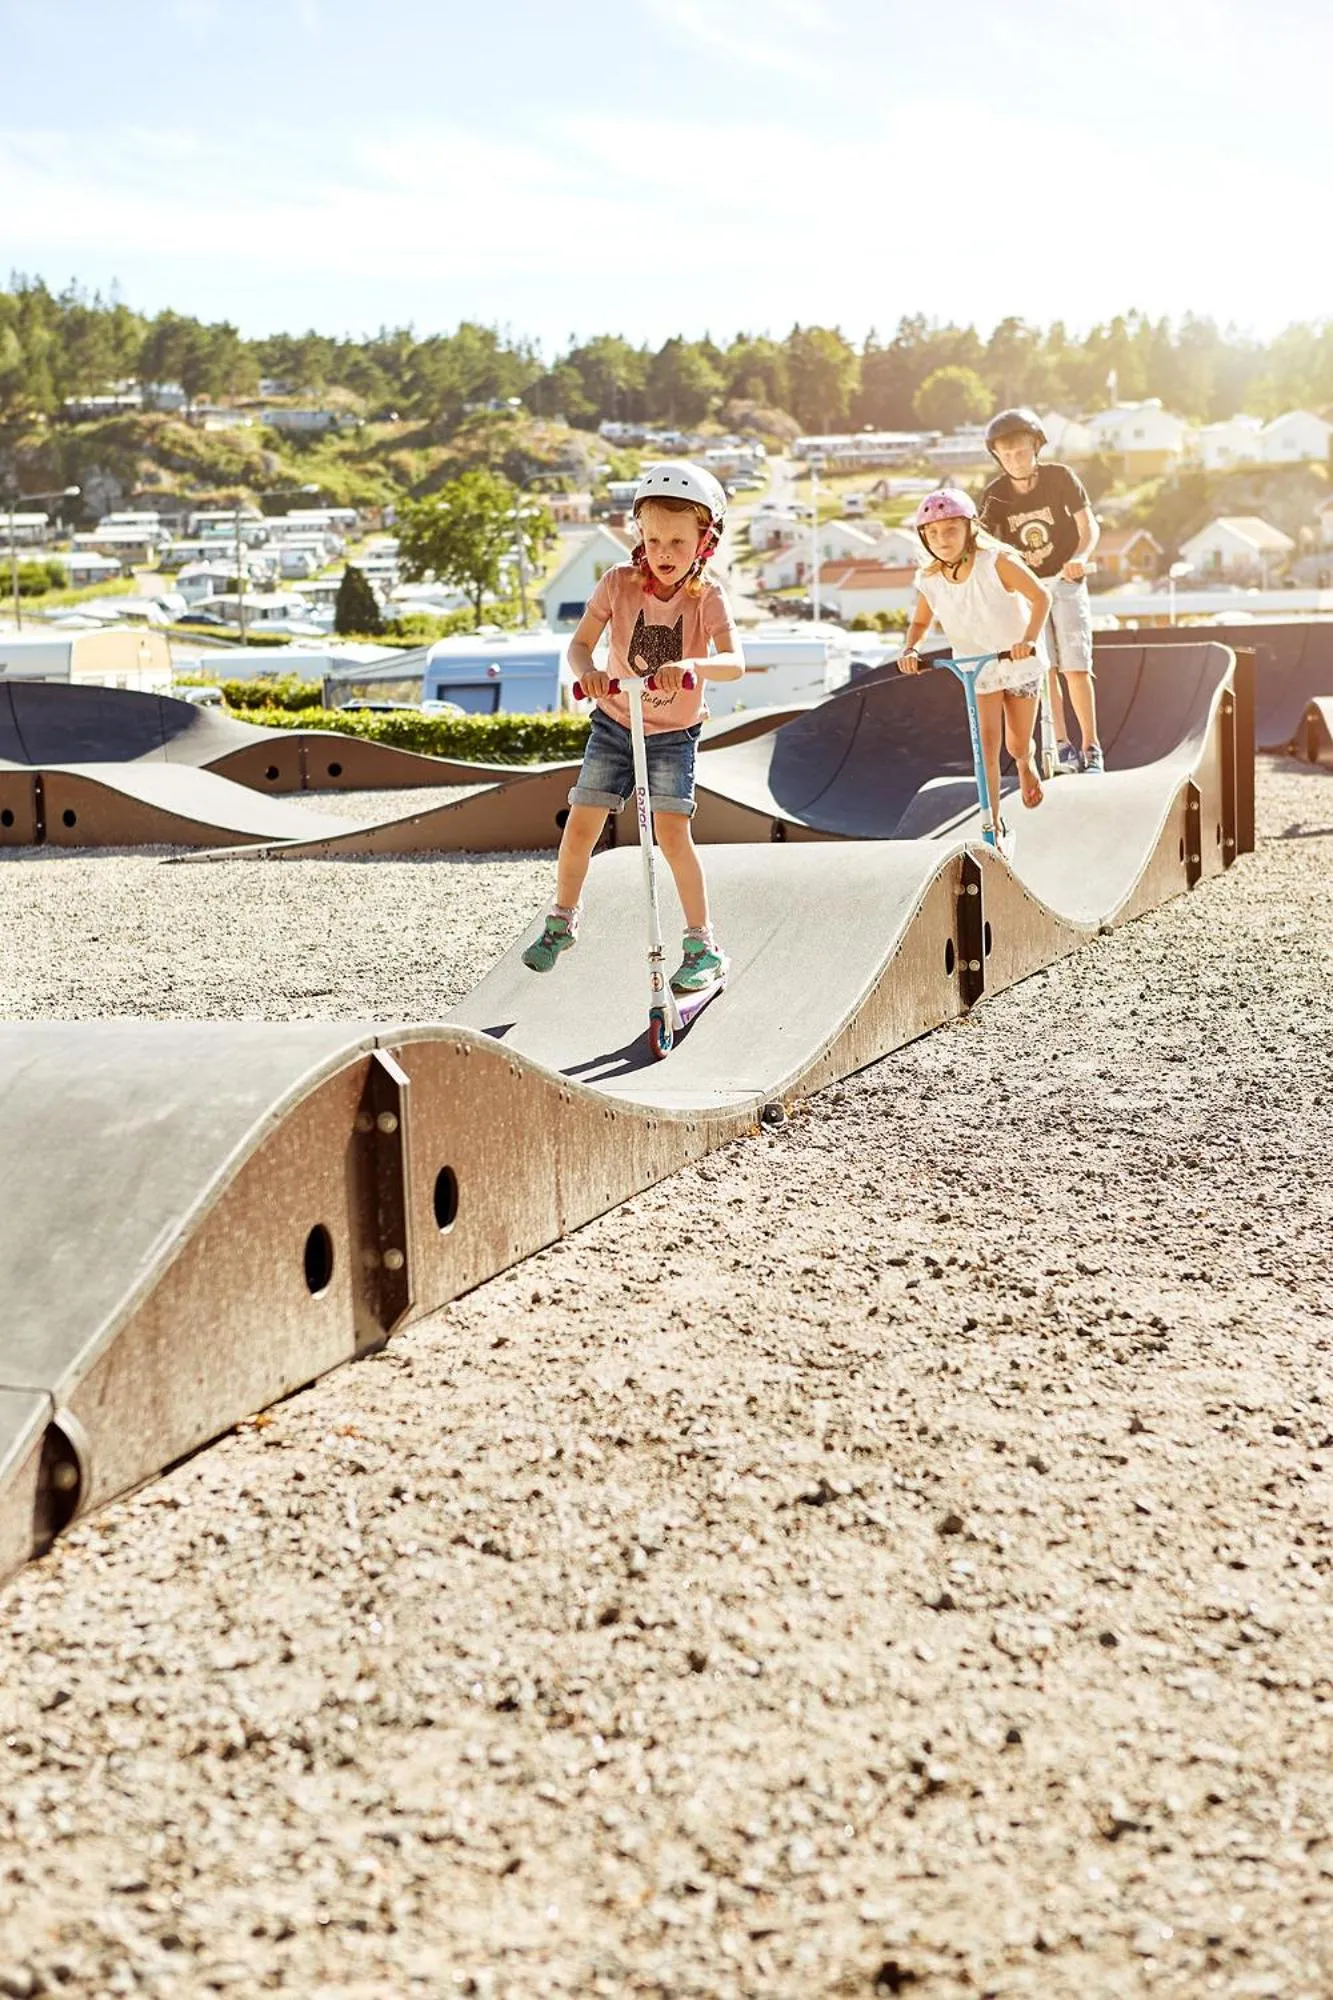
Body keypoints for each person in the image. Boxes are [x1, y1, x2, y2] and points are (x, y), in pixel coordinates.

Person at [521, 461, 744, 989]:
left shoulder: (707, 597)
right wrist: (591, 674)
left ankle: (701, 943)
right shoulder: (617, 584)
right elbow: (578, 647)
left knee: (671, 834)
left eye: (679, 542)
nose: (665, 553)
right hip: (615, 723)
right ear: (639, 534)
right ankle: (562, 920)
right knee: (581, 825)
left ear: (704, 542)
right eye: (655, 538)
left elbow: (734, 662)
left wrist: (692, 667)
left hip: (672, 735)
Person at [898, 488, 1051, 855]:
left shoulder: (996, 562)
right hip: (975, 665)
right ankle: (992, 827)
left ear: (970, 528)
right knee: (984, 747)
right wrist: (911, 648)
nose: (941, 540)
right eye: (932, 533)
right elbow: (921, 622)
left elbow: (1041, 596)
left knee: (1015, 743)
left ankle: (1025, 763)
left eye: (950, 530)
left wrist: (1027, 640)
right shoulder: (930, 579)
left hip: (1017, 662)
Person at [979, 407, 1103, 773]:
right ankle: (1061, 745)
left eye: (1021, 452)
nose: (1015, 460)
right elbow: (986, 544)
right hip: (1030, 592)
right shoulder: (996, 495)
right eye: (1006, 455)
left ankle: (1091, 747)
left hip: (1065, 580)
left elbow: (1088, 526)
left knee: (1075, 667)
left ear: (1035, 448)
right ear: (998, 457)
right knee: (1043, 667)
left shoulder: (1060, 478)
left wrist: (1080, 556)